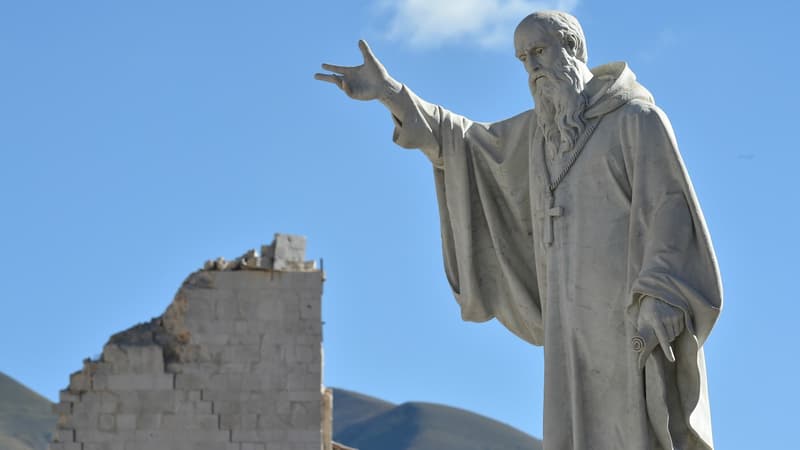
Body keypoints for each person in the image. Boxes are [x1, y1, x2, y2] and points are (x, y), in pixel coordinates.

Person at [316, 11, 722, 450]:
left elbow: (670, 212)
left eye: (540, 52)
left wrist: (662, 295)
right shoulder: (537, 137)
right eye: (523, 58)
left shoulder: (635, 121)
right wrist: (391, 94)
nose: (532, 67)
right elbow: (463, 142)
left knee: (632, 433)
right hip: (567, 326)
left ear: (574, 49)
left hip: (624, 318)